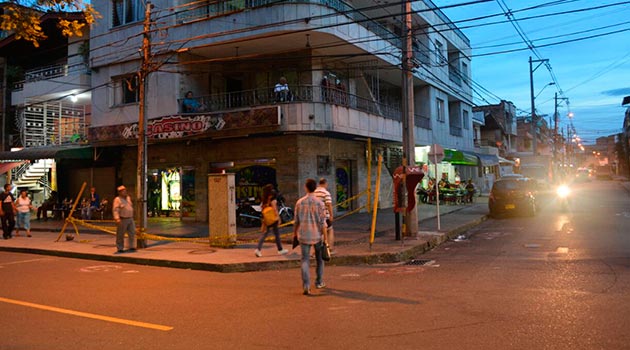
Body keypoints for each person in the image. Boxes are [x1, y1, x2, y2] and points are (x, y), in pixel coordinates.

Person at [293, 178, 328, 295]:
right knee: (319, 259)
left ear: (305, 187)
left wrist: (294, 234)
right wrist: (326, 239)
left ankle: (306, 285)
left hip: (303, 235)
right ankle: (319, 281)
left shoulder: (299, 202)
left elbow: (296, 221)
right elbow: (323, 223)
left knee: (305, 260)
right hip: (317, 235)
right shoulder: (320, 203)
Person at [254, 184, 289, 257]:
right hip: (273, 218)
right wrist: (278, 218)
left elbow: (262, 208)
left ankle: (259, 249)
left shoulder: (264, 199)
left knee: (266, 234)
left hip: (267, 218)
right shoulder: (272, 199)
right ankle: (279, 249)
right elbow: (275, 209)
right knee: (275, 234)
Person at [112, 185, 136, 253]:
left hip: (130, 218)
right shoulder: (117, 200)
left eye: (125, 190)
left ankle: (132, 246)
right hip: (123, 219)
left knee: (132, 233)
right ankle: (120, 248)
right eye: (123, 191)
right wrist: (117, 218)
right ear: (119, 192)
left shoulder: (128, 198)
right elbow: (115, 210)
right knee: (120, 234)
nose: (125, 192)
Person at [314, 178, 335, 253]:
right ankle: (330, 248)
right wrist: (331, 215)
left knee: (318, 233)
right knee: (330, 230)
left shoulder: (314, 192)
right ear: (325, 184)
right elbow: (329, 205)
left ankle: (316, 251)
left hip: (316, 216)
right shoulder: (326, 193)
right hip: (325, 216)